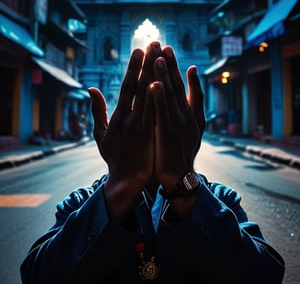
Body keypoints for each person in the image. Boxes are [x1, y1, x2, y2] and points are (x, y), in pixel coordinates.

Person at [20, 42, 285, 284]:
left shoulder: (221, 200)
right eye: (143, 118)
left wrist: (184, 186)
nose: (153, 131)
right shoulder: (82, 203)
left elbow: (266, 275)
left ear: (189, 131)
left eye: (164, 117)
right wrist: (121, 186)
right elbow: (36, 275)